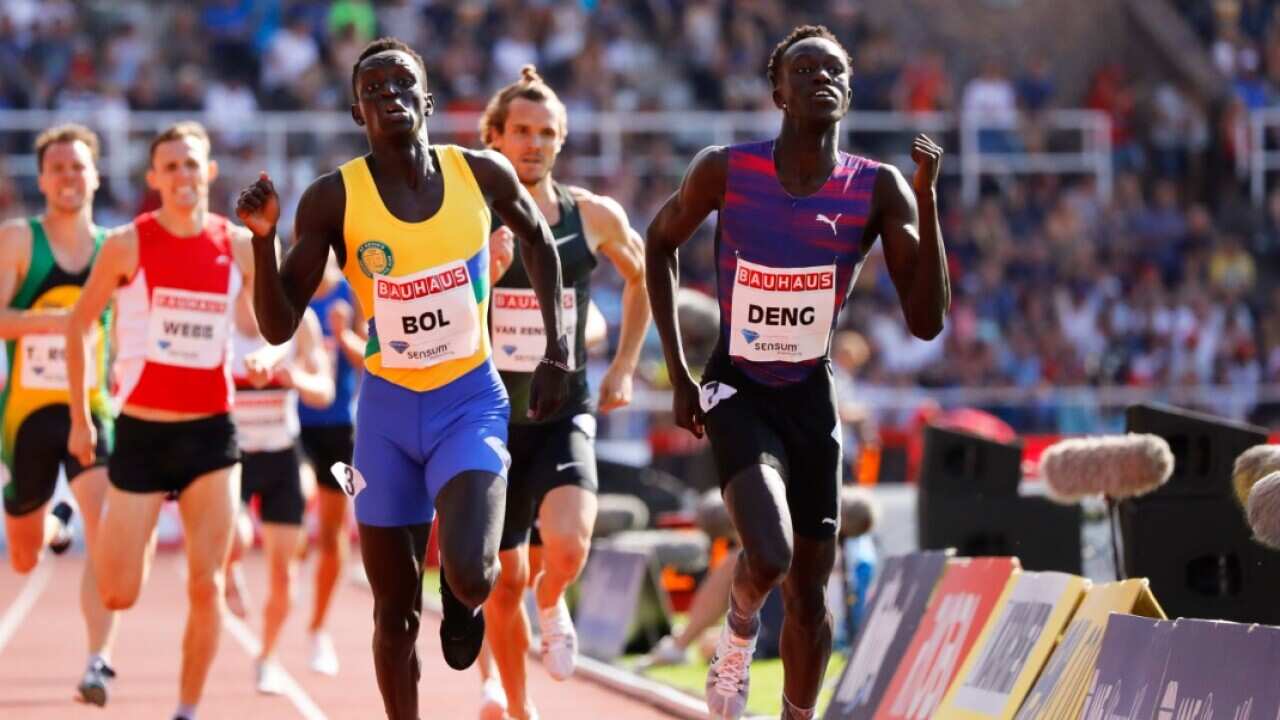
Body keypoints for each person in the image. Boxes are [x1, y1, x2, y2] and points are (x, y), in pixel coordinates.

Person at [235, 37, 569, 720]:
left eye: (401, 84)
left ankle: (462, 601)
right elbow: (277, 324)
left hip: (469, 398)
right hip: (386, 415)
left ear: (427, 100)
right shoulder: (333, 198)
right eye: (372, 89)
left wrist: (557, 351)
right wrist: (264, 242)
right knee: (393, 612)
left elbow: (538, 243)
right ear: (358, 112)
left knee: (474, 574)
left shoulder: (481, 173)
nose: (388, 96)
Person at [645, 25, 949, 720]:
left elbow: (926, 320)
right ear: (778, 91)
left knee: (811, 593)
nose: (823, 79)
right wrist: (680, 372)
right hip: (737, 386)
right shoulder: (726, 169)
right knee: (773, 553)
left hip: (809, 393)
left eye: (835, 70)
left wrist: (927, 203)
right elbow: (658, 243)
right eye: (805, 69)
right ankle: (738, 633)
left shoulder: (878, 187)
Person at [66, 121, 260, 720]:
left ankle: (186, 709)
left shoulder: (240, 244)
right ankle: (141, 536)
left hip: (212, 433)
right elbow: (78, 327)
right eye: (170, 166)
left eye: (191, 164)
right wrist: (82, 416)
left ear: (210, 172)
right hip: (143, 433)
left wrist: (274, 348)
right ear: (154, 177)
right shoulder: (126, 244)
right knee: (119, 588)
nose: (182, 176)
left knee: (205, 586)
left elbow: (263, 328)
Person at [478, 65, 650, 720]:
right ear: (493, 136)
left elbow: (645, 278)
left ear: (562, 140)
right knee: (503, 580)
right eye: (520, 131)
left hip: (562, 409)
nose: (533, 143)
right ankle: (517, 707)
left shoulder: (592, 215)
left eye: (547, 132)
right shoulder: (466, 214)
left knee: (569, 546)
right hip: (486, 416)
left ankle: (553, 603)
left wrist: (625, 366)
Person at [0, 123, 119, 706]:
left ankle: (98, 661)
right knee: (22, 556)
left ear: (95, 175)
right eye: (59, 168)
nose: (70, 177)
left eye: (80, 167)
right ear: (43, 179)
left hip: (93, 410)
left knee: (108, 531)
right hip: (27, 413)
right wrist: (65, 323)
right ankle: (52, 525)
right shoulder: (19, 240)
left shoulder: (114, 248)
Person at [226, 292, 334, 694]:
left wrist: (294, 378)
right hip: (232, 454)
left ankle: (267, 657)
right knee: (237, 536)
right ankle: (230, 569)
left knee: (284, 576)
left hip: (280, 452)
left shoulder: (297, 321)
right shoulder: (221, 312)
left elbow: (323, 390)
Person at [296, 254, 366, 676]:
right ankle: (289, 544)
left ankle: (319, 627)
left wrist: (344, 337)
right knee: (298, 496)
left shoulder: (350, 293)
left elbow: (368, 362)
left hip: (340, 429)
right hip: (290, 424)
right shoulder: (292, 292)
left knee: (334, 531)